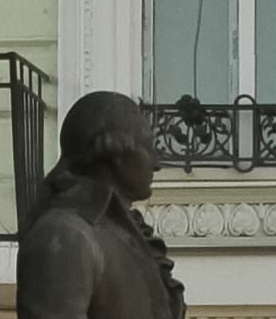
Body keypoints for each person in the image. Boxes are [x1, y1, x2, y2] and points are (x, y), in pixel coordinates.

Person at [18, 91, 186, 319]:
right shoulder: (64, 234)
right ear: (115, 149)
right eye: (147, 146)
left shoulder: (120, 234)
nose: (156, 164)